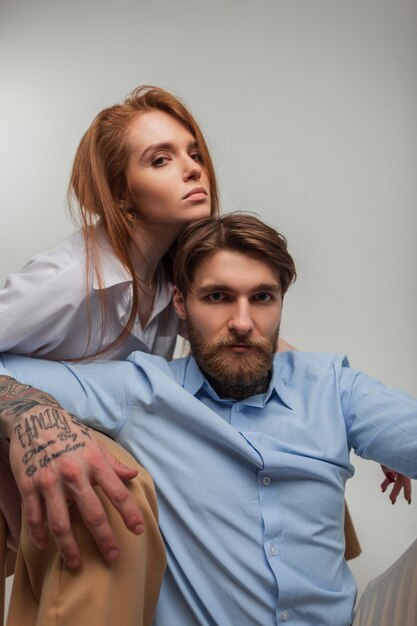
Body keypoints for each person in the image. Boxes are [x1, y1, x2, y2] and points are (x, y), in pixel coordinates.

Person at [0, 214, 416, 626]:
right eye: (217, 297)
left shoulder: (334, 387)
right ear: (181, 303)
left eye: (262, 298)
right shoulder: (141, 390)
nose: (241, 322)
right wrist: (30, 414)